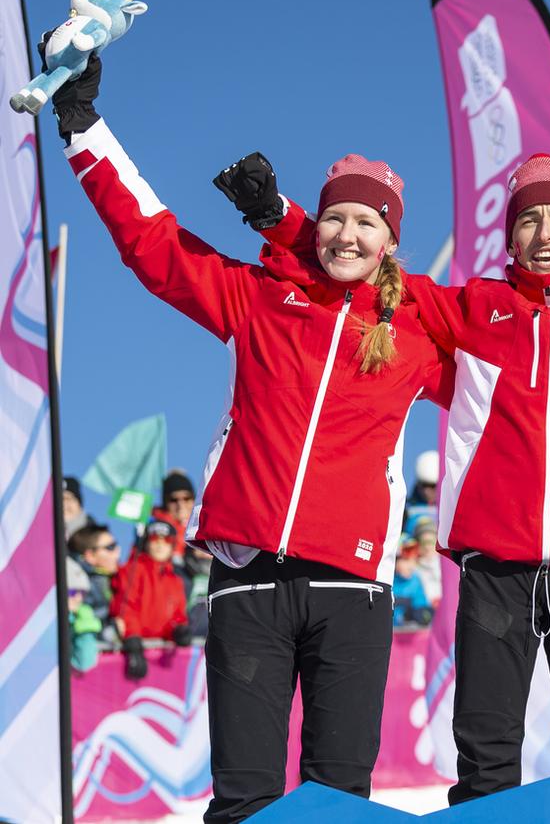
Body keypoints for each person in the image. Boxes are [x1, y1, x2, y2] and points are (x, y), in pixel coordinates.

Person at [49, 53, 454, 822]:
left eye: (367, 222)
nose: (347, 232)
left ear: (390, 243)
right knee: (243, 800)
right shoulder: (257, 302)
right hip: (248, 578)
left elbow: (522, 381)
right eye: (334, 216)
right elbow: (153, 244)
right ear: (316, 225)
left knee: (341, 802)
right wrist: (82, 126)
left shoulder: (416, 339)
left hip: (353, 591)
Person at [254, 151, 550, 803]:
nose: (546, 235)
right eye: (530, 221)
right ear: (511, 236)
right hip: (497, 565)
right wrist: (284, 220)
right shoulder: (475, 308)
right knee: (486, 758)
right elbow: (365, 260)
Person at [110, 521, 192, 680]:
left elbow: (177, 614)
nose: (160, 545)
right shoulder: (133, 570)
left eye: (166, 540)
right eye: (155, 539)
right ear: (146, 542)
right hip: (136, 648)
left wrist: (178, 630)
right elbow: (126, 607)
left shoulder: (175, 580)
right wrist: (133, 641)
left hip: (161, 655)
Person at [67, 521, 121, 645]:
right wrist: (110, 627)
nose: (117, 551)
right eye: (110, 547)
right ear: (90, 555)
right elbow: (82, 623)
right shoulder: (77, 584)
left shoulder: (110, 579)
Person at [66, 557, 102, 672]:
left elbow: (84, 663)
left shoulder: (78, 618)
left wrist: (85, 627)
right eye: (71, 592)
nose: (78, 598)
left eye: (82, 593)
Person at [391, 537, 432, 628]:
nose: (411, 565)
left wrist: (421, 614)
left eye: (414, 560)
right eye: (406, 560)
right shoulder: (388, 580)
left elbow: (422, 604)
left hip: (408, 633)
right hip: (390, 631)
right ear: (395, 560)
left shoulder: (415, 580)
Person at [62, 475, 91, 541]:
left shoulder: (96, 538)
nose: (64, 504)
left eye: (68, 498)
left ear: (79, 503)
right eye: (58, 500)